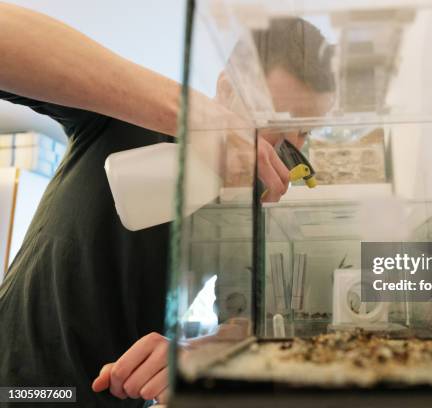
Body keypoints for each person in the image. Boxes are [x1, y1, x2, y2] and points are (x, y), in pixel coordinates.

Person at [0, 3, 334, 407]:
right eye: (274, 118)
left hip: (118, 398)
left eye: (306, 129)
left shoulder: (247, 207)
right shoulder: (130, 119)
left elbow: (242, 322)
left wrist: (194, 352)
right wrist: (191, 114)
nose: (291, 144)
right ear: (226, 89)